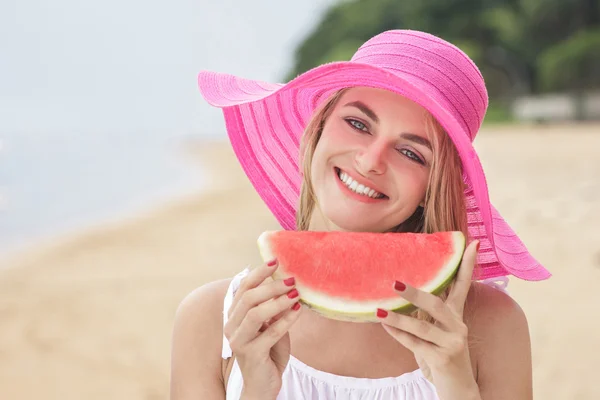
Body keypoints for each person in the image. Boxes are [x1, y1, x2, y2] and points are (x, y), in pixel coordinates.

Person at [170, 29, 551, 400]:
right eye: (357, 124)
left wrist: (457, 389)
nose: (370, 162)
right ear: (317, 130)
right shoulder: (209, 320)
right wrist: (255, 391)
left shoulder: (493, 325)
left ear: (431, 187)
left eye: (412, 153)